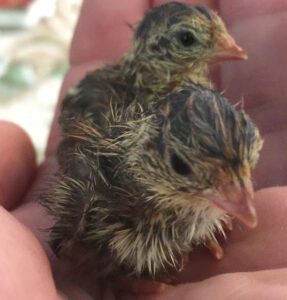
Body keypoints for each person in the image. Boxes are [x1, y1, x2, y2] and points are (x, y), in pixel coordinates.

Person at [1, 1, 287, 299]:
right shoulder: (108, 196)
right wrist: (113, 277)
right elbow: (75, 234)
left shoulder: (196, 115)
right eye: (183, 166)